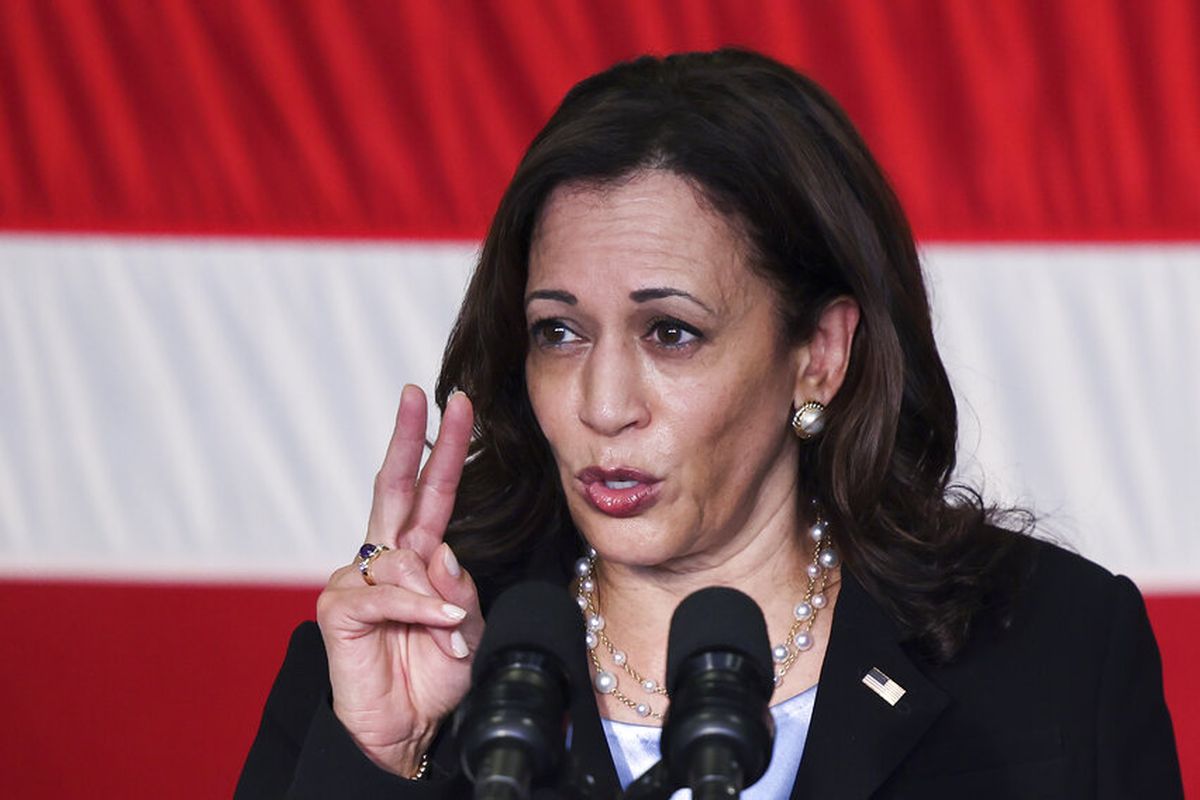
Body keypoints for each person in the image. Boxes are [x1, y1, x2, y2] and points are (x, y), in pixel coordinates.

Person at [236, 49, 1183, 798]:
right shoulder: (395, 662)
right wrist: (384, 761)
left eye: (673, 333)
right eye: (558, 331)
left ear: (819, 353)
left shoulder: (1058, 649)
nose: (604, 405)